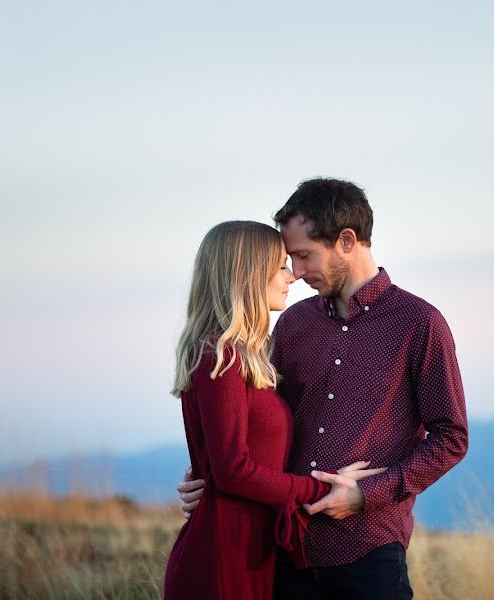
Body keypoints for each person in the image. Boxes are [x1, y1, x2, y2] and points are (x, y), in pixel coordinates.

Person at [178, 180, 469, 599]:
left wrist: (367, 494)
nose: (294, 273)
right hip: (285, 553)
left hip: (368, 552)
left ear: (346, 242)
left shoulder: (419, 324)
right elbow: (250, 420)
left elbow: (452, 438)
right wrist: (207, 478)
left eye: (302, 256)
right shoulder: (292, 325)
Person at [164, 220, 385, 600]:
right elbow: (233, 471)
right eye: (281, 266)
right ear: (248, 274)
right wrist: (323, 487)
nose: (292, 276)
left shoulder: (245, 356)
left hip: (251, 548)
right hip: (224, 552)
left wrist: (208, 473)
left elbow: (227, 458)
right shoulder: (223, 356)